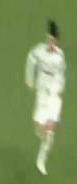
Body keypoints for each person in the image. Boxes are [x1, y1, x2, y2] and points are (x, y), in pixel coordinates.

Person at [25, 20, 66, 175]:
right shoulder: (39, 50)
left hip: (53, 93)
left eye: (54, 41)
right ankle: (46, 138)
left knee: (50, 127)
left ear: (56, 42)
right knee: (38, 127)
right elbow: (31, 59)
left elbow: (61, 73)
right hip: (42, 91)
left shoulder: (59, 56)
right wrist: (30, 79)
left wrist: (59, 88)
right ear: (47, 39)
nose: (51, 43)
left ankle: (41, 159)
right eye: (50, 40)